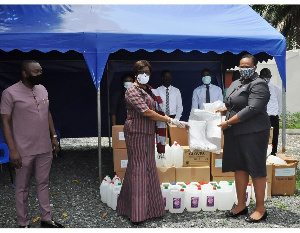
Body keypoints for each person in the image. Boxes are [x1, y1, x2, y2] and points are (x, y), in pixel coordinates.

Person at [116, 60, 188, 225]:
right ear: (135, 73)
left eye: (148, 72)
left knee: (147, 167)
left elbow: (155, 109)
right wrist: (171, 120)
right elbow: (146, 112)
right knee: (139, 169)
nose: (145, 75)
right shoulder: (132, 90)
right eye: (142, 71)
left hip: (148, 133)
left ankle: (150, 209)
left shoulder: (147, 90)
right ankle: (137, 214)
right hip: (136, 133)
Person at [0, 60, 64, 228]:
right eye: (35, 72)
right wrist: (12, 150)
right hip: (23, 150)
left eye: (40, 71)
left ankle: (46, 219)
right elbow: (5, 122)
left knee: (43, 183)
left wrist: (54, 136)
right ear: (24, 73)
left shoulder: (42, 89)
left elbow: (47, 113)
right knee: (22, 187)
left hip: (44, 147)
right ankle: (23, 223)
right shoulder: (9, 93)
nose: (39, 75)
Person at [217, 54, 270, 223]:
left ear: (254, 68)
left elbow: (253, 108)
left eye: (247, 66)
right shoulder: (236, 83)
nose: (244, 69)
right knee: (239, 167)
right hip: (235, 132)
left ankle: (260, 208)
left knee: (256, 168)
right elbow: (232, 104)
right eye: (241, 66)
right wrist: (222, 112)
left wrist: (228, 123)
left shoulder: (259, 84)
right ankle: (241, 205)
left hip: (253, 132)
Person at [260, 68, 282, 155]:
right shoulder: (256, 88)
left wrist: (277, 115)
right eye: (263, 75)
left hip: (273, 116)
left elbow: (280, 103)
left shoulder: (277, 89)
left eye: (267, 75)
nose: (265, 77)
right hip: (261, 116)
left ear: (270, 76)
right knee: (261, 137)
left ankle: (273, 153)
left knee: (274, 137)